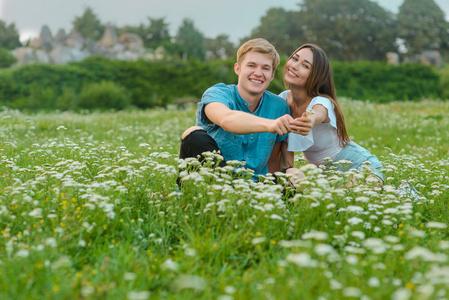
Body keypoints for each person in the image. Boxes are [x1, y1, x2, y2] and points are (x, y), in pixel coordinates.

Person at [179, 38, 306, 180]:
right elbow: (227, 119)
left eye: (265, 68)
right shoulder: (218, 93)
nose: (258, 73)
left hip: (254, 187)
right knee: (192, 133)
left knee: (296, 175)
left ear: (272, 75)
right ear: (237, 68)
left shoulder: (279, 107)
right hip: (213, 182)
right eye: (251, 65)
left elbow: (273, 160)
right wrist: (270, 124)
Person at [268, 43, 384, 183]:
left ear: (315, 76)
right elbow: (285, 151)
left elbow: (318, 113)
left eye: (305, 66)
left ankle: (404, 190)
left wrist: (309, 121)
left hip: (359, 166)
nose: (294, 66)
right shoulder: (281, 100)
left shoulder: (322, 101)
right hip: (323, 175)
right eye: (294, 58)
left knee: (350, 201)